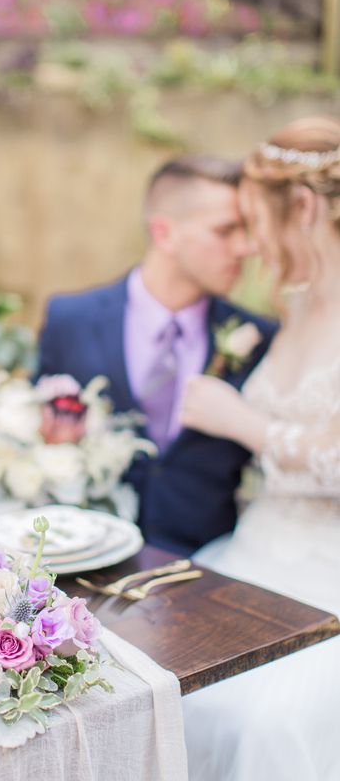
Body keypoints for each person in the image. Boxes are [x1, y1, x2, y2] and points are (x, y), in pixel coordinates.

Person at [180, 116, 340, 780]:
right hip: (255, 548)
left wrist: (242, 422)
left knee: (261, 719)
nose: (251, 243)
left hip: (326, 570)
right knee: (163, 680)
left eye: (256, 220)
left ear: (302, 207)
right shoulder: (300, 302)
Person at [36, 155, 276, 555]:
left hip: (209, 571)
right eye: (226, 230)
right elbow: (37, 437)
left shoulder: (261, 338)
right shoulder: (70, 320)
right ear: (165, 233)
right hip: (87, 562)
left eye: (248, 230)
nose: (246, 247)